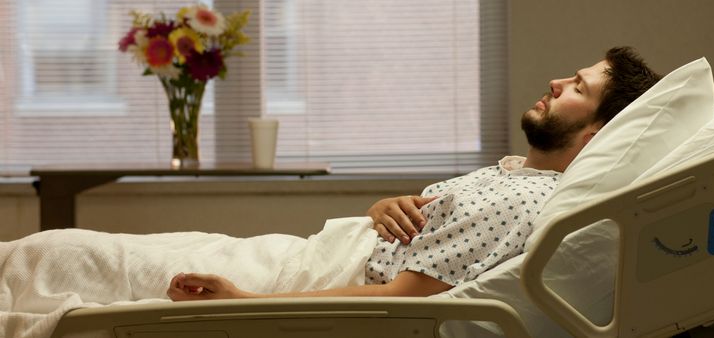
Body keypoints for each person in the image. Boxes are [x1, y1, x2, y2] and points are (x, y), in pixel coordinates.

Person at [166, 46, 661, 302]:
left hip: (306, 276)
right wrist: (383, 209)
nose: (555, 82)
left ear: (595, 136)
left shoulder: (526, 203)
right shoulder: (515, 175)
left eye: (578, 86)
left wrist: (245, 301)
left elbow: (400, 299)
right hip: (314, 252)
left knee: (100, 260)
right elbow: (422, 239)